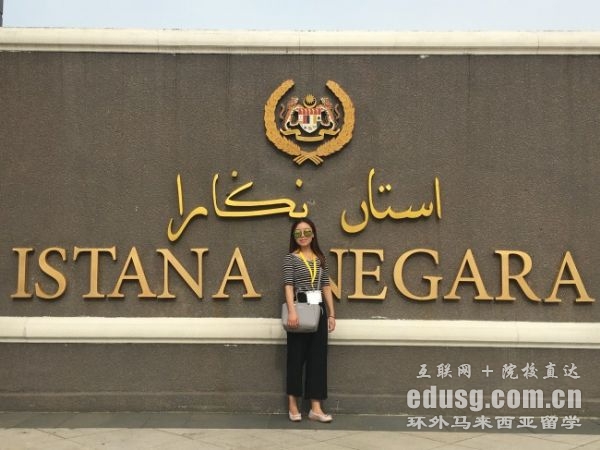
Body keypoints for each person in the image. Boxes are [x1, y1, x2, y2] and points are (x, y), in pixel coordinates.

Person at [283, 219, 336, 423]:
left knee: (318, 359)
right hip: (300, 309)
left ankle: (316, 408)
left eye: (306, 232)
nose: (303, 236)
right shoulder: (291, 258)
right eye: (298, 233)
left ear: (313, 234)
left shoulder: (320, 258)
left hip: (318, 310)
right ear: (294, 236)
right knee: (295, 358)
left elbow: (326, 286)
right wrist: (292, 311)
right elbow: (288, 285)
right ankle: (293, 405)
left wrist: (331, 313)